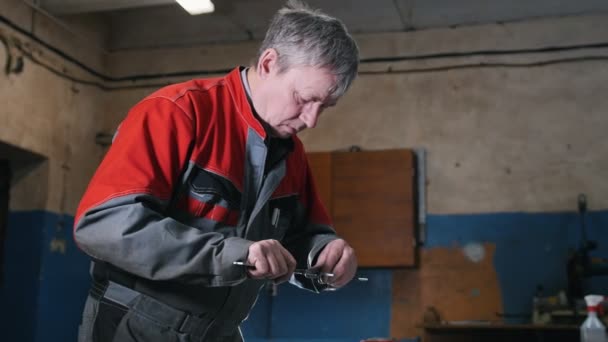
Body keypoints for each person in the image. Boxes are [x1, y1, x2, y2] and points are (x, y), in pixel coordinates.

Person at [74, 1, 359, 341]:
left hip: (220, 331)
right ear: (269, 64)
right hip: (135, 324)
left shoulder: (290, 151)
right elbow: (102, 226)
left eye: (324, 107)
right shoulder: (177, 114)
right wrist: (232, 254)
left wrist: (325, 254)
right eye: (303, 98)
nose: (311, 120)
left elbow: (301, 237)